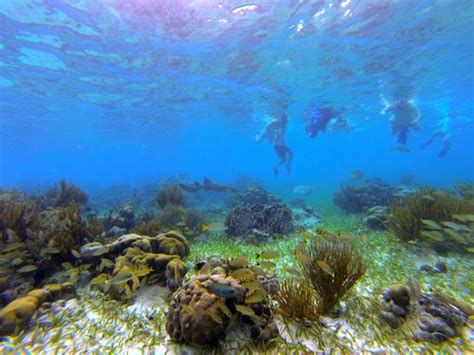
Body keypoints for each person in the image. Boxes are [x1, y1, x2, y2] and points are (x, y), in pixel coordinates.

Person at [256, 112, 293, 176]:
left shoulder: (284, 126)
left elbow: (281, 135)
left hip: (280, 144)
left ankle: (287, 165)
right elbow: (267, 128)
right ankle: (257, 134)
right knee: (257, 142)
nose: (287, 121)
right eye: (286, 120)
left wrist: (278, 139)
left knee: (290, 154)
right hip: (277, 143)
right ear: (282, 120)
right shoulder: (275, 122)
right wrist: (271, 136)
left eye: (287, 120)